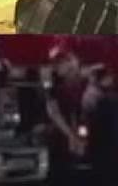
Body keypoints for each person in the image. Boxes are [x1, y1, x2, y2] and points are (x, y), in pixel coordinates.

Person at [81, 66, 118, 186]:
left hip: (100, 145)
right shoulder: (102, 97)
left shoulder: (90, 94)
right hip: (108, 145)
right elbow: (115, 119)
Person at [42, 49, 85, 186]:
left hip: (74, 132)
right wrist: (71, 136)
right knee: (59, 171)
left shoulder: (78, 85)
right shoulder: (52, 86)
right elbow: (54, 112)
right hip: (59, 135)